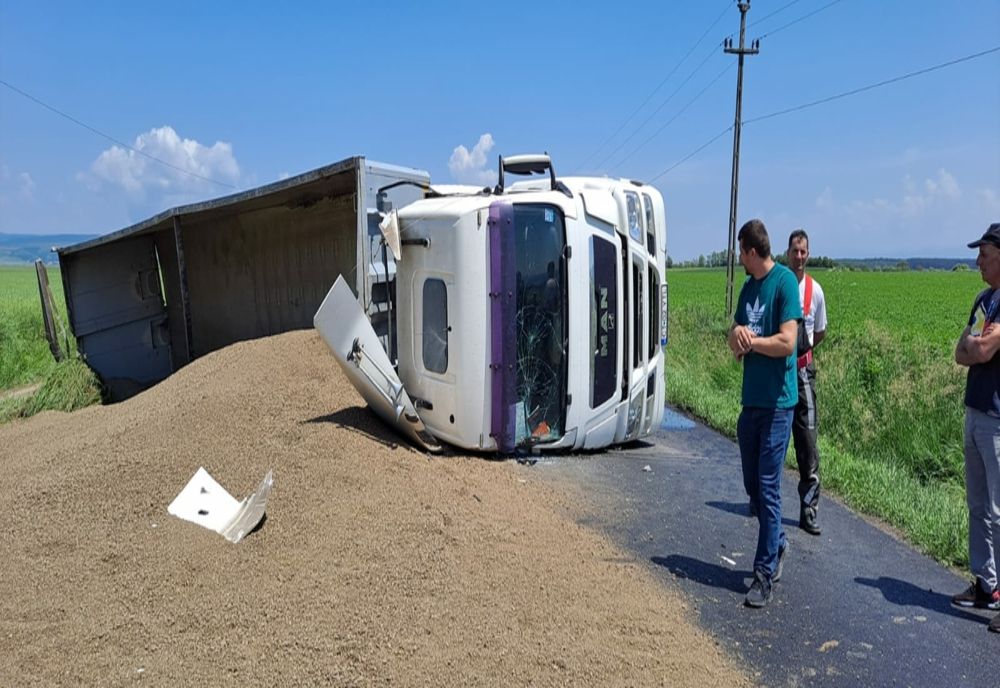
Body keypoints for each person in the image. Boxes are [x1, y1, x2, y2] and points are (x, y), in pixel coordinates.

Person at [728, 219, 802, 608]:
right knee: (753, 487)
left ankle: (763, 575)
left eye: (741, 251)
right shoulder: (748, 288)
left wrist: (752, 341)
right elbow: (736, 335)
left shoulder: (784, 283)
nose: (739, 258)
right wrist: (737, 337)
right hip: (750, 402)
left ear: (751, 251)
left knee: (769, 487)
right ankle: (778, 543)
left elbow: (788, 342)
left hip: (777, 404)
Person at [953, 222, 1000, 633]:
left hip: (998, 420)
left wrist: (977, 348)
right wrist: (976, 348)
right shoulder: (985, 300)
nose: (978, 261)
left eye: (984, 254)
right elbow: (961, 350)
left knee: (999, 512)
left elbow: (981, 347)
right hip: (975, 410)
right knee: (978, 507)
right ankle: (987, 584)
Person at [787, 230, 827, 535]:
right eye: (795, 251)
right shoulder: (779, 284)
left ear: (808, 254)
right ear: (787, 253)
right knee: (771, 436)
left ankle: (809, 510)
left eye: (804, 252)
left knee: (808, 443)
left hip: (803, 372)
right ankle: (761, 498)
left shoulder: (816, 291)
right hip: (779, 372)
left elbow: (820, 333)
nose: (799, 257)